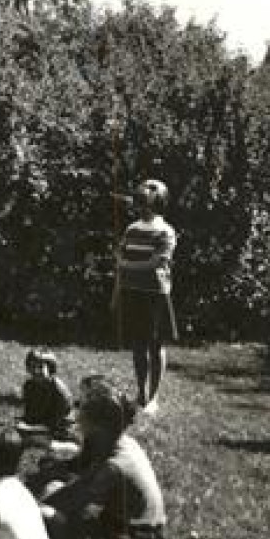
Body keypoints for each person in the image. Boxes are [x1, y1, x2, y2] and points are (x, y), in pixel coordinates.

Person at [38, 376, 168, 539]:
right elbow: (82, 464)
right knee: (53, 490)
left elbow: (68, 500)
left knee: (47, 511)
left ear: (96, 425)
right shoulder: (122, 442)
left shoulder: (114, 466)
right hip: (145, 533)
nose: (76, 417)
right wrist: (58, 467)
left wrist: (29, 505)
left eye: (81, 412)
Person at [113, 178, 178, 416]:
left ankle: (154, 397)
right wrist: (118, 288)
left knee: (155, 344)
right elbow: (120, 254)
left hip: (155, 295)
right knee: (138, 346)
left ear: (158, 202)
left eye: (150, 191)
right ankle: (140, 393)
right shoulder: (132, 229)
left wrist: (126, 264)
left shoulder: (166, 231)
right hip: (133, 292)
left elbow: (155, 263)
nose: (142, 206)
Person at [18, 348, 75, 441]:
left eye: (40, 367)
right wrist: (23, 423)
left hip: (59, 429)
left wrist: (30, 428)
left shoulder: (60, 391)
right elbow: (29, 413)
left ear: (50, 368)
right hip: (38, 425)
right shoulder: (29, 386)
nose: (36, 371)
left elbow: (55, 422)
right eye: (32, 367)